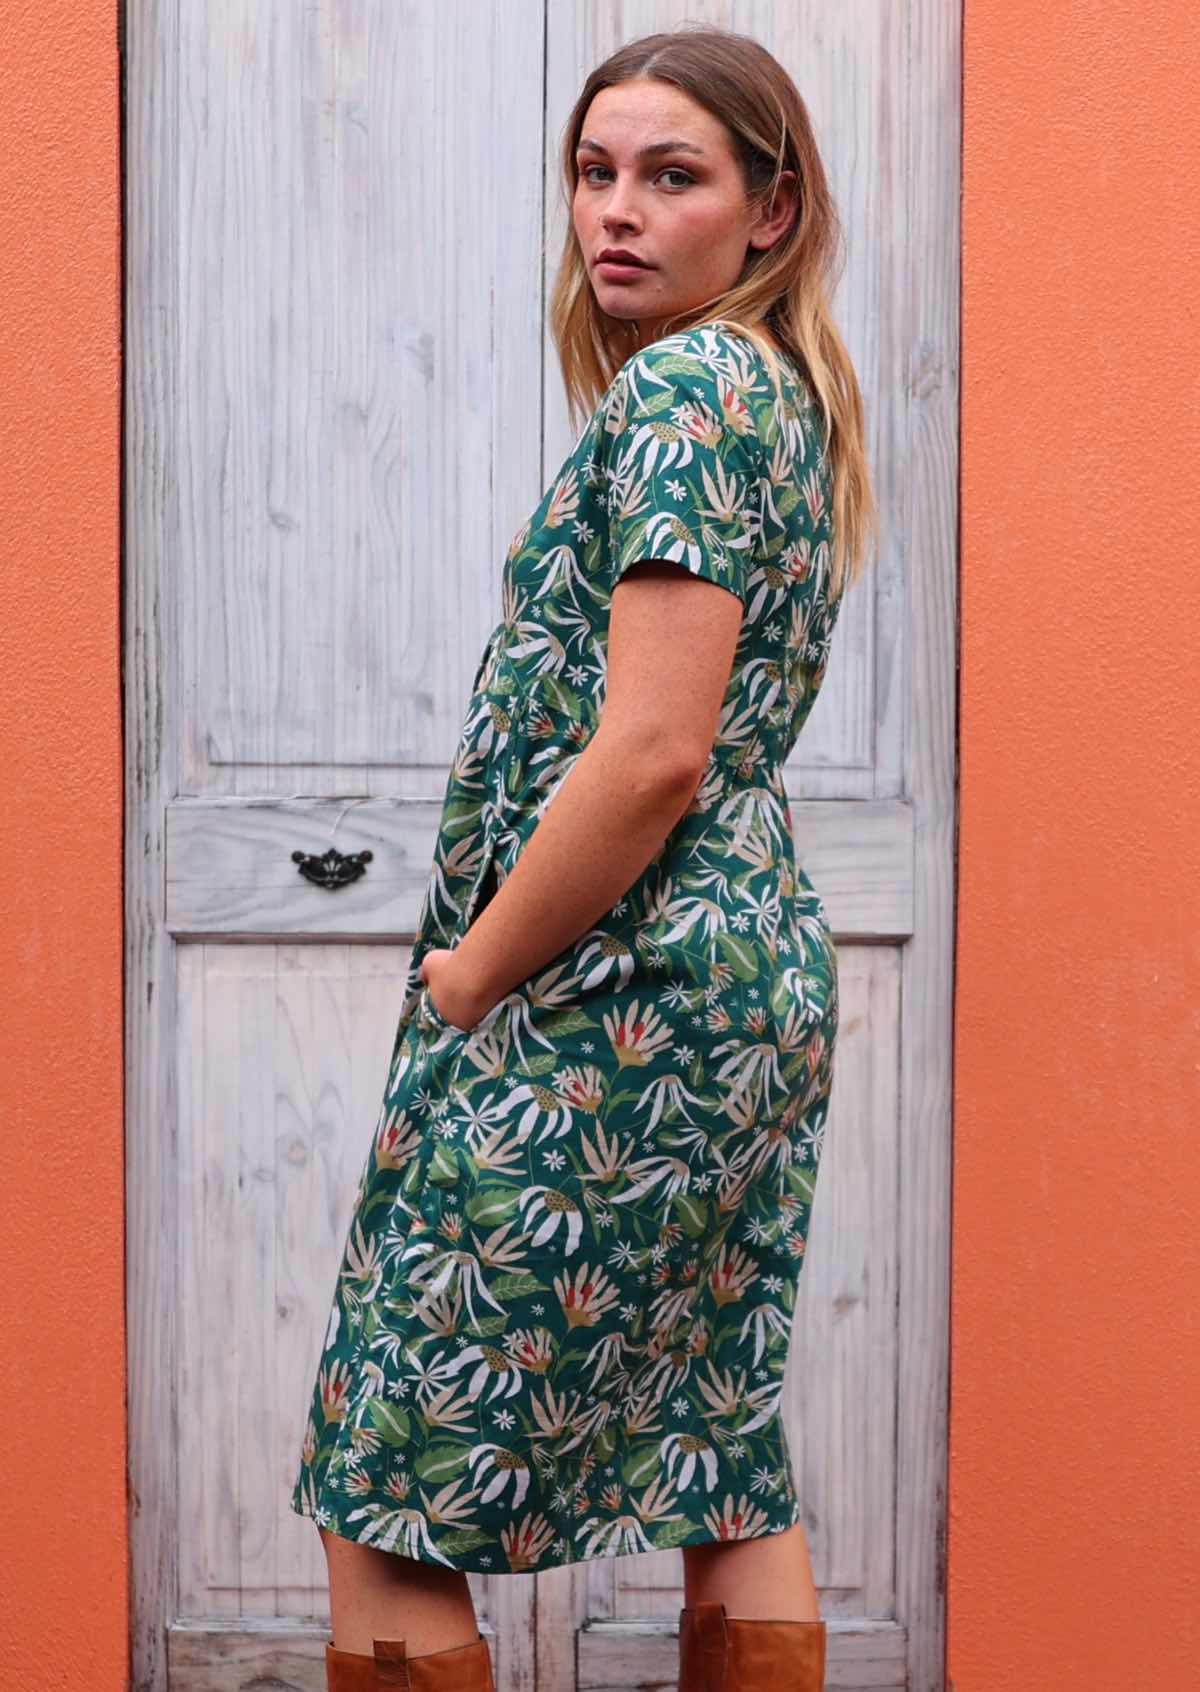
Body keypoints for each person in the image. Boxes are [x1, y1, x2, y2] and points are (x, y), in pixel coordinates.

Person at [292, 22, 877, 1692]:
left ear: (772, 211)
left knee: (387, 1469)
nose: (613, 211)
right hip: (733, 971)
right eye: (593, 171)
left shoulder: (690, 390)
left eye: (670, 177)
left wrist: (475, 968)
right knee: (712, 1430)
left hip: (613, 980)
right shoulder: (770, 387)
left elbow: (653, 748)